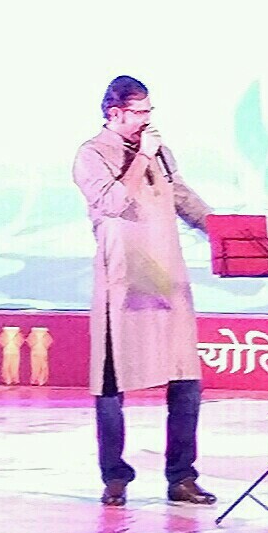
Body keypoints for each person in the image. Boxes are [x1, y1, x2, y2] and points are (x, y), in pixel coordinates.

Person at [72, 75, 217, 506]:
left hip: (165, 274)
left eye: (149, 111)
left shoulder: (159, 153)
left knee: (185, 379)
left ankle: (182, 477)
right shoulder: (91, 154)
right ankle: (115, 477)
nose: (146, 119)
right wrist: (141, 158)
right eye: (138, 112)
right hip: (124, 276)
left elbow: (182, 197)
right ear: (114, 113)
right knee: (112, 382)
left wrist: (225, 230)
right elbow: (113, 202)